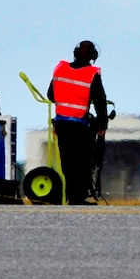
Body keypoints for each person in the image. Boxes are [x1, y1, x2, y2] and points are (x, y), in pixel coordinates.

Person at [47, 40, 110, 204]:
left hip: (61, 124)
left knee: (67, 161)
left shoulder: (60, 69)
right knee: (82, 162)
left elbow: (51, 95)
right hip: (81, 126)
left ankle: (71, 195)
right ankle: (78, 197)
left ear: (74, 53)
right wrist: (102, 124)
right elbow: (99, 101)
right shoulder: (91, 74)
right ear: (93, 56)